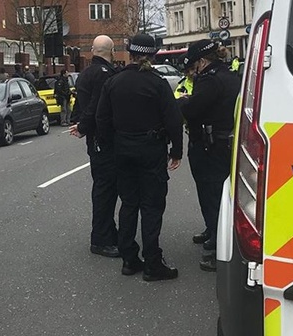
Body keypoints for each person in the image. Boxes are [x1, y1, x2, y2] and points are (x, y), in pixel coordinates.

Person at [96, 34, 183, 281]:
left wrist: (109, 145)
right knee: (152, 206)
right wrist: (176, 151)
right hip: (151, 149)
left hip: (122, 150)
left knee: (129, 204)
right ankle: (153, 263)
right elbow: (173, 119)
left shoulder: (113, 82)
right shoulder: (157, 83)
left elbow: (102, 118)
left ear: (130, 53)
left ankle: (129, 259)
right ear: (152, 55)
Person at [178, 40, 241, 272]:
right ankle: (212, 230)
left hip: (209, 146)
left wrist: (182, 103)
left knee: (211, 194)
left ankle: (217, 246)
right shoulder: (230, 75)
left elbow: (194, 110)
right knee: (219, 193)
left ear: (202, 61)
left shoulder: (209, 80)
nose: (191, 71)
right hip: (224, 143)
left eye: (193, 66)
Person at [69, 35, 119, 258]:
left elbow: (81, 104)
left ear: (92, 50)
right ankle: (101, 239)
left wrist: (78, 122)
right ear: (112, 50)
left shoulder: (85, 74)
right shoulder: (105, 75)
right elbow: (96, 108)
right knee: (105, 191)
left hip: (95, 141)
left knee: (103, 188)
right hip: (104, 140)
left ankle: (108, 232)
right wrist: (83, 126)